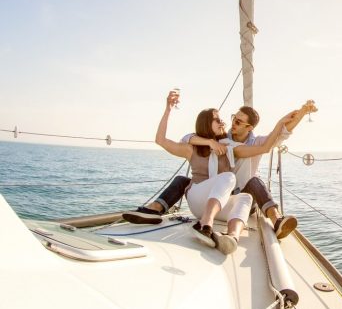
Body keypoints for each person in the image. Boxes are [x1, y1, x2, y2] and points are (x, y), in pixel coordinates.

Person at [123, 99, 317, 240]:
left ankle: (245, 232)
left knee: (247, 189)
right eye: (229, 119)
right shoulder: (208, 143)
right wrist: (168, 109)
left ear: (249, 127)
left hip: (228, 199)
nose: (229, 122)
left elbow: (269, 144)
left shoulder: (231, 147)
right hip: (206, 199)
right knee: (188, 179)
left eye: (238, 122)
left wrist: (290, 118)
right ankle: (155, 210)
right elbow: (170, 139)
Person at [147, 90, 291, 254]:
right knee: (228, 177)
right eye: (217, 120)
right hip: (198, 202)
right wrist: (168, 109)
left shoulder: (230, 147)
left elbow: (264, 148)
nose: (223, 122)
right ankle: (204, 225)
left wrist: (280, 124)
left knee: (245, 198)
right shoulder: (191, 147)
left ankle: (231, 238)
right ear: (206, 124)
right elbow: (160, 140)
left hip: (217, 205)